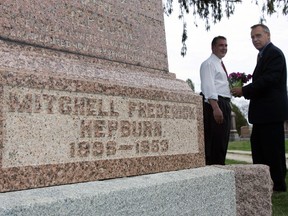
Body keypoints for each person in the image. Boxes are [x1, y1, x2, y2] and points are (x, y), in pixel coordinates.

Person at [232, 24, 288, 192]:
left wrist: (245, 90)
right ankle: (264, 182)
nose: (255, 39)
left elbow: (268, 80)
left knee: (273, 152)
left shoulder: (274, 54)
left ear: (268, 35)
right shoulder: (263, 56)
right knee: (260, 151)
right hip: (262, 115)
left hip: (271, 114)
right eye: (252, 37)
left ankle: (278, 185)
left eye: (258, 36)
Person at [200, 36, 232, 165]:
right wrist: (216, 108)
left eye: (226, 45)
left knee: (222, 142)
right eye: (221, 45)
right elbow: (208, 86)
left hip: (223, 102)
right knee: (215, 142)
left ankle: (220, 166)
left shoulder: (219, 63)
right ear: (213, 47)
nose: (224, 48)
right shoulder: (209, 63)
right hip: (215, 104)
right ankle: (214, 169)